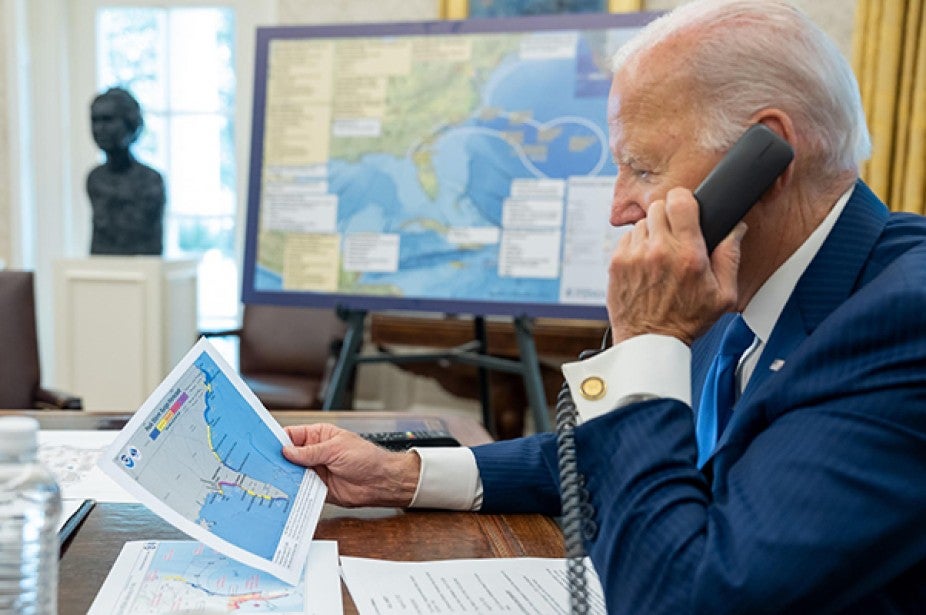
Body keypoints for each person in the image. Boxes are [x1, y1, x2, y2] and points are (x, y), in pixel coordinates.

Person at [282, 1, 926, 612]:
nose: (619, 208)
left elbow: (686, 600)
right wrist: (401, 475)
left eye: (642, 169)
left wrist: (648, 338)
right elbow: (605, 451)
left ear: (764, 158)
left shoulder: (901, 321)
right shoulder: (746, 276)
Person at [86, 86, 165, 255]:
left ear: (130, 123)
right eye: (95, 120)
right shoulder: (94, 179)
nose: (100, 129)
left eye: (108, 120)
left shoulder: (150, 181)